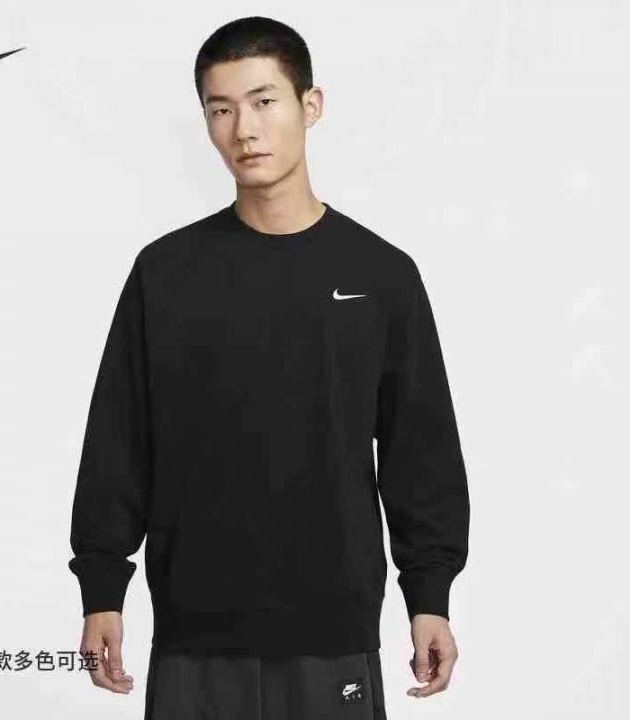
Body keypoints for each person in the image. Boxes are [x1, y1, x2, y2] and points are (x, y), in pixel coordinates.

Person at [68, 15, 470, 720]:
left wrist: (429, 595)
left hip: (333, 629)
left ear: (311, 105)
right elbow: (120, 439)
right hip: (195, 635)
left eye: (263, 101)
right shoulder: (166, 273)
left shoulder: (381, 275)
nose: (244, 130)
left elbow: (420, 450)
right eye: (221, 110)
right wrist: (102, 587)